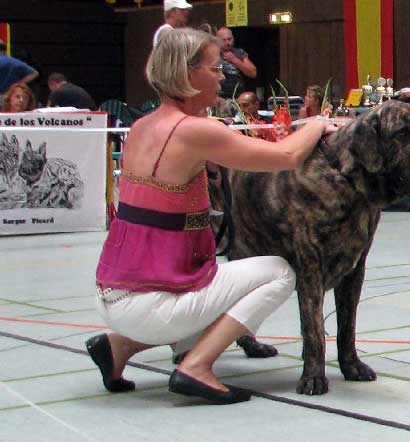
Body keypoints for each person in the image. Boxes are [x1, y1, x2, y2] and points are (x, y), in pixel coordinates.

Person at [86, 27, 335, 404]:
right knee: (279, 272)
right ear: (187, 74)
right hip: (148, 303)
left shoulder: (140, 127)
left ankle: (118, 348)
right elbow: (286, 157)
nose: (222, 76)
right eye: (214, 68)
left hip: (111, 293)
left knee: (211, 282)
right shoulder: (194, 130)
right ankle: (196, 367)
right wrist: (316, 124)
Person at [215, 26, 256, 99]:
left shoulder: (239, 52)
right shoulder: (212, 53)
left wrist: (234, 60)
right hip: (219, 95)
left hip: (238, 95)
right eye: (223, 40)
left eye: (229, 39)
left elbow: (253, 73)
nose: (227, 43)